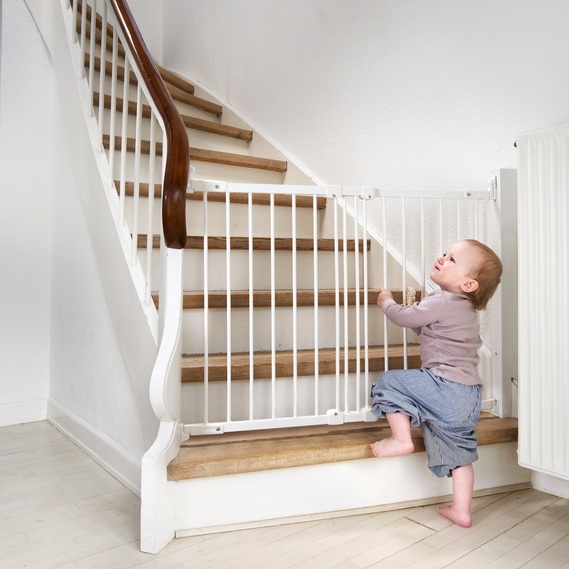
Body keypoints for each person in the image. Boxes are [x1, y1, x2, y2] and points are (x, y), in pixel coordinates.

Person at [369, 239, 502, 528]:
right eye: (444, 253)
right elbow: (426, 325)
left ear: (468, 285)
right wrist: (418, 311)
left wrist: (387, 303)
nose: (442, 258)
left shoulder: (442, 300)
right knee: (460, 455)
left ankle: (400, 439)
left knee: (391, 381)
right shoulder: (463, 308)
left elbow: (404, 318)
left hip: (444, 386)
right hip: (469, 397)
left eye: (452, 259)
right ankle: (461, 510)